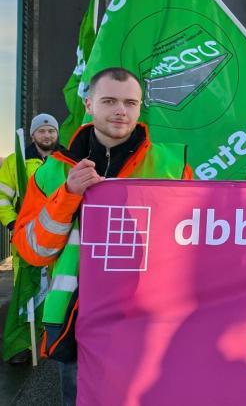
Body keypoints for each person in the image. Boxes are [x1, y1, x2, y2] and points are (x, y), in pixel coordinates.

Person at [13, 67, 193, 405]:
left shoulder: (172, 165)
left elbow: (194, 244)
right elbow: (32, 250)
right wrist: (67, 195)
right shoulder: (54, 173)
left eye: (130, 102)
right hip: (74, 315)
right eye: (109, 101)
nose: (120, 111)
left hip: (147, 315)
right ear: (89, 103)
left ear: (140, 107)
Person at [0, 114, 65, 364]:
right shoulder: (17, 162)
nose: (47, 135)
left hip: (61, 239)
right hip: (26, 239)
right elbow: (3, 198)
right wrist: (13, 224)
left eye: (51, 130)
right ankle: (20, 346)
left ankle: (50, 341)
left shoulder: (67, 160)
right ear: (33, 135)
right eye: (42, 131)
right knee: (25, 293)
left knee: (57, 291)